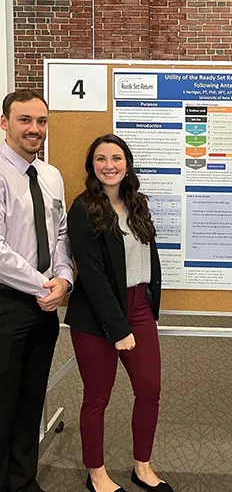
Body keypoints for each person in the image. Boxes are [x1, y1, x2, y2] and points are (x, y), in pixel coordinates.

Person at [65, 134, 173, 492]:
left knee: (149, 390)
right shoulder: (83, 209)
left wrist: (149, 304)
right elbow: (92, 276)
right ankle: (96, 473)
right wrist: (117, 328)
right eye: (101, 159)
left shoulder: (136, 203)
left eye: (116, 158)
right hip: (97, 315)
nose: (109, 165)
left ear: (127, 164)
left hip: (139, 307)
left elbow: (148, 256)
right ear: (92, 166)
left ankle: (142, 467)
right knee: (97, 397)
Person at [0, 89, 74, 492]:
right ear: (4, 122)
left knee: (32, 399)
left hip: (45, 304)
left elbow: (60, 234)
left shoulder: (51, 175)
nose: (34, 129)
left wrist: (64, 279)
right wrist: (43, 283)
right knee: (3, 402)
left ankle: (23, 481)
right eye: (24, 120)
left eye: (41, 121)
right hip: (7, 302)